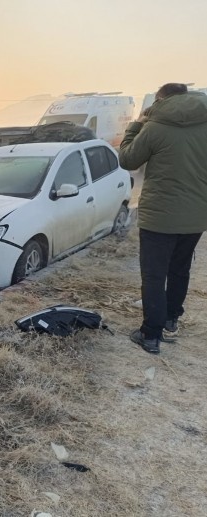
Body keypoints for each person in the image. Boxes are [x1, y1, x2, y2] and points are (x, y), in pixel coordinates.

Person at [119, 83, 207, 354]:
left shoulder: (154, 127)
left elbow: (127, 160)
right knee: (180, 269)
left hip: (159, 217)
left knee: (154, 276)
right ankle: (170, 320)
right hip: (196, 216)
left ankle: (150, 334)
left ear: (160, 100)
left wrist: (137, 125)